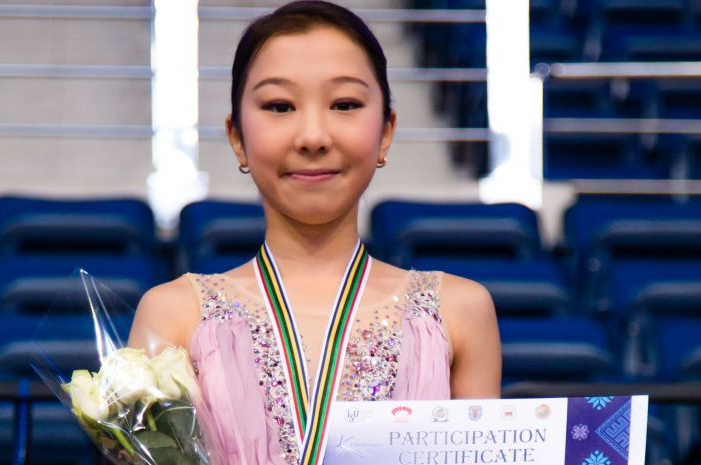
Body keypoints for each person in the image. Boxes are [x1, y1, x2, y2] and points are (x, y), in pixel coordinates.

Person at [129, 1, 500, 464]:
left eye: (344, 104)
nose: (312, 136)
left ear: (386, 131)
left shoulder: (459, 311)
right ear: (237, 137)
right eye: (279, 106)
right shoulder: (173, 315)